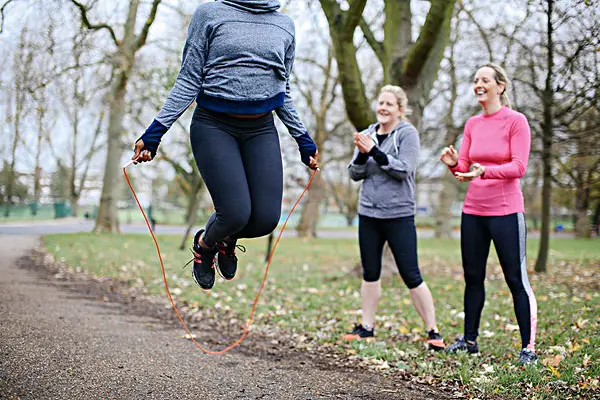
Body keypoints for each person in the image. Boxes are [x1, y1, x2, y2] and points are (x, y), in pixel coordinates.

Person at [131, 0, 319, 290]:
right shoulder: (209, 14)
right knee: (235, 213)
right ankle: (205, 246)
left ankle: (225, 238)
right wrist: (156, 131)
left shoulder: (285, 25)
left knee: (266, 219)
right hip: (214, 125)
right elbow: (189, 79)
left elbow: (283, 90)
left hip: (260, 129)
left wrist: (302, 138)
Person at [440, 63, 538, 365]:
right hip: (473, 211)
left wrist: (487, 171)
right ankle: (469, 340)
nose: (478, 84)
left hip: (506, 211)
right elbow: (465, 168)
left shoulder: (516, 121)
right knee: (473, 277)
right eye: (475, 79)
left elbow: (519, 166)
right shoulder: (472, 124)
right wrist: (453, 162)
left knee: (515, 279)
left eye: (485, 79)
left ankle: (528, 348)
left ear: (500, 86)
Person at [343, 85, 445, 351]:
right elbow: (354, 174)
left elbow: (404, 169)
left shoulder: (407, 134)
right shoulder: (367, 133)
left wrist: (375, 152)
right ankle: (367, 327)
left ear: (400, 110)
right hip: (369, 213)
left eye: (390, 104)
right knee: (370, 272)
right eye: (381, 103)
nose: (383, 108)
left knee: (411, 273)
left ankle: (433, 331)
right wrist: (364, 154)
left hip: (398, 214)